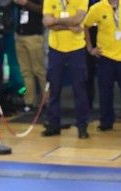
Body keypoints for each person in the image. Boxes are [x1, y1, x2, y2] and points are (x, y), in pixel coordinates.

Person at [83, 0, 121, 132]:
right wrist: (90, 48)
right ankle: (106, 121)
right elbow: (85, 25)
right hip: (105, 57)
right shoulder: (97, 8)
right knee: (105, 92)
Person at [42, 0, 90, 138]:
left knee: (79, 89)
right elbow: (46, 22)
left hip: (76, 48)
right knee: (54, 88)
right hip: (55, 48)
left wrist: (56, 21)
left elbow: (78, 19)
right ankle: (53, 124)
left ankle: (82, 126)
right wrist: (69, 25)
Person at [14, 0, 47, 112]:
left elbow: (44, 9)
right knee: (26, 71)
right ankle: (29, 102)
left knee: (39, 70)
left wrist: (26, 3)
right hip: (19, 35)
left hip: (34, 35)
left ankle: (47, 102)